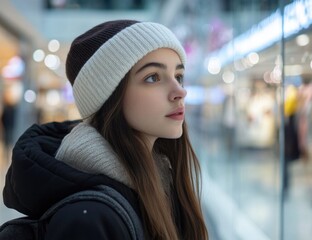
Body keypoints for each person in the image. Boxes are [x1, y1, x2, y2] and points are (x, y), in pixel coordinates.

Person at [2, 20, 208, 239]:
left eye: (178, 76)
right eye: (152, 77)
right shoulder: (88, 222)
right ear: (110, 97)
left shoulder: (161, 181)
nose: (180, 92)